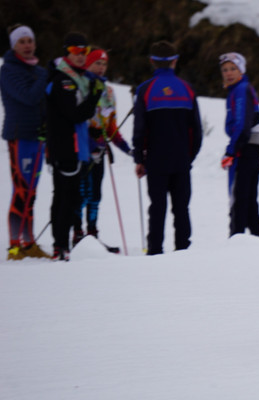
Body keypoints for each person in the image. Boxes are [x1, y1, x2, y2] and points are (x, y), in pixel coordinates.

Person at [132, 40, 202, 255]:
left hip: (156, 159)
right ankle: (183, 249)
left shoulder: (145, 90)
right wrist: (189, 156)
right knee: (181, 208)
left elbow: (140, 129)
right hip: (181, 158)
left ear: (152, 61)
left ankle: (154, 250)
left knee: (157, 207)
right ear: (175, 61)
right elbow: (197, 130)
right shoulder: (187, 89)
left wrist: (139, 159)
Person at [46, 32, 104, 261]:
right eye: (74, 51)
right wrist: (94, 96)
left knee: (66, 196)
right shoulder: (64, 80)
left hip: (74, 146)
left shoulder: (78, 77)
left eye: (84, 51)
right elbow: (75, 114)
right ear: (66, 52)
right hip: (65, 147)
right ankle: (60, 245)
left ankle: (60, 244)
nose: (80, 56)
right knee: (66, 197)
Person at [72, 47, 132, 246]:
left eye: (104, 64)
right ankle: (77, 234)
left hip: (100, 150)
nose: (101, 67)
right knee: (81, 193)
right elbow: (76, 120)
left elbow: (111, 125)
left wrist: (126, 148)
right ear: (87, 63)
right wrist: (91, 143)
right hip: (82, 149)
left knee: (95, 194)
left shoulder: (109, 91)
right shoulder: (81, 85)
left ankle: (92, 235)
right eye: (97, 62)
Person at [1, 24, 50, 260]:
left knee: (32, 191)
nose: (27, 45)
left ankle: (29, 243)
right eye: (22, 41)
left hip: (37, 136)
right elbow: (29, 97)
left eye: (30, 40)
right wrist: (44, 76)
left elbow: (43, 101)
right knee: (21, 190)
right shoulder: (9, 69)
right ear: (14, 45)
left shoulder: (37, 71)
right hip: (20, 135)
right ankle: (14, 246)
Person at [219, 52, 259, 237]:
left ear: (241, 70)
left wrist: (231, 151)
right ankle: (258, 242)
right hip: (249, 150)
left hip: (244, 152)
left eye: (233, 68)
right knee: (249, 203)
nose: (229, 73)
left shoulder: (240, 90)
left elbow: (242, 125)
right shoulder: (237, 89)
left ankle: (236, 242)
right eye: (225, 70)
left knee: (239, 202)